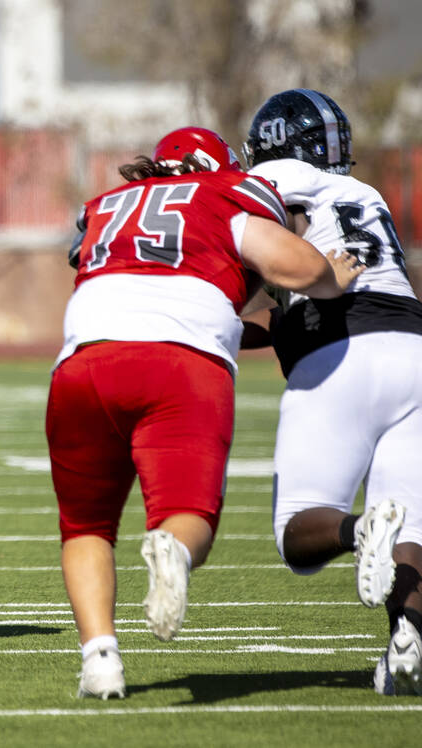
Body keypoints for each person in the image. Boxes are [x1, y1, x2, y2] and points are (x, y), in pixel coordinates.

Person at [49, 126, 365, 699]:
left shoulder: (108, 206)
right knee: (187, 513)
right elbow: (292, 265)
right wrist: (331, 276)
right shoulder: (224, 194)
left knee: (87, 525)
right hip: (180, 365)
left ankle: (100, 660)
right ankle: (172, 549)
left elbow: (143, 281)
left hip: (83, 361)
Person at [243, 89, 422, 696]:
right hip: (414, 347)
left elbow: (272, 254)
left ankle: (357, 531)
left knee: (299, 535)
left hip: (343, 352)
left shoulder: (274, 181)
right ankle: (409, 644)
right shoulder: (364, 195)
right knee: (412, 530)